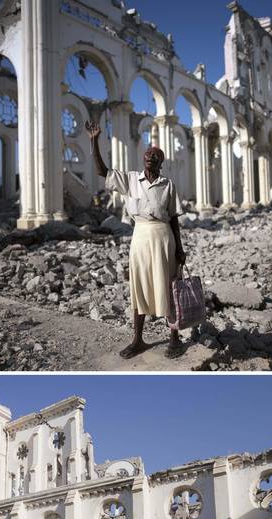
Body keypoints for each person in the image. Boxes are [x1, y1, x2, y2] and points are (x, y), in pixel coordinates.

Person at [85, 119, 187, 359]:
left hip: (164, 238)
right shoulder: (130, 180)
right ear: (143, 159)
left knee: (169, 286)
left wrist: (180, 249)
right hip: (140, 237)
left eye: (155, 154)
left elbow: (173, 219)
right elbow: (102, 171)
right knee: (139, 287)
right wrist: (94, 141)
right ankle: (138, 340)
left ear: (161, 162)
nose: (150, 155)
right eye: (148, 153)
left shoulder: (167, 185)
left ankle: (175, 338)